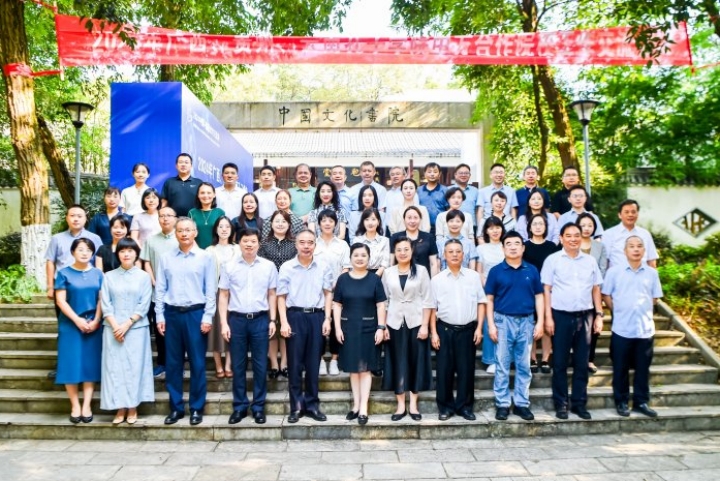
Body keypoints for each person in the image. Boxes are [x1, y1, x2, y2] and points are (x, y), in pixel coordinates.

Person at [155, 217, 216, 426]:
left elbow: (210, 290)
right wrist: (160, 315)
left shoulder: (205, 257)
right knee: (173, 364)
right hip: (172, 314)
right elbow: (160, 289)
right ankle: (176, 407)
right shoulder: (166, 258)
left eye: (188, 230)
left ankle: (196, 408)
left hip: (196, 314)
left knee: (198, 363)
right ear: (175, 233)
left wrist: (208, 316)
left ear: (195, 232)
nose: (184, 234)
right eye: (180, 230)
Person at [541, 223, 604, 420]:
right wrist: (548, 317)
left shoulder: (590, 261)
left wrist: (599, 315)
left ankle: (579, 403)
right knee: (559, 362)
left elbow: (596, 289)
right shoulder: (552, 260)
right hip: (560, 316)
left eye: (576, 235)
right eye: (568, 235)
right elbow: (546, 290)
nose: (573, 239)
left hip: (585, 316)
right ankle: (561, 403)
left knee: (582, 362)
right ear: (561, 238)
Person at [219, 228, 278, 425]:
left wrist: (272, 320)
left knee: (260, 365)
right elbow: (224, 295)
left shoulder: (268, 266)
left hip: (260, 319)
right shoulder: (229, 266)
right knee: (238, 365)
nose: (249, 244)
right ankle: (240, 407)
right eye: (245, 241)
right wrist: (224, 323)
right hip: (237, 320)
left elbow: (272, 294)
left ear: (259, 243)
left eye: (253, 241)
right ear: (239, 243)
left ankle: (258, 407)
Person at [485, 231, 544, 421]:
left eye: (516, 243)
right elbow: (489, 299)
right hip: (503, 321)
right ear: (503, 248)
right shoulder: (496, 271)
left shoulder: (532, 270)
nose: (512, 247)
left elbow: (539, 297)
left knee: (524, 365)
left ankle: (521, 404)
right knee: (502, 365)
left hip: (526, 322)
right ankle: (502, 404)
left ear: (523, 247)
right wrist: (491, 325)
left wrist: (540, 322)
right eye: (508, 244)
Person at [602, 236, 663, 418]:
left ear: (644, 250)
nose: (636, 249)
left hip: (645, 330)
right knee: (620, 368)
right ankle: (621, 401)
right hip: (622, 328)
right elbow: (606, 295)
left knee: (643, 368)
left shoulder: (652, 273)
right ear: (625, 250)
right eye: (632, 246)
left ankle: (641, 401)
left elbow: (655, 297)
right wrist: (617, 309)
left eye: (639, 246)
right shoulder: (614, 272)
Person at [277, 230, 334, 423]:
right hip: (295, 316)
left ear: (315, 245)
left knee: (313, 364)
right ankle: (296, 407)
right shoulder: (287, 267)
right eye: (302, 242)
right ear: (296, 244)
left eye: (310, 242)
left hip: (316, 317)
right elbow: (281, 297)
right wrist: (284, 321)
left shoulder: (323, 266)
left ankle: (312, 405)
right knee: (294, 364)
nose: (306, 246)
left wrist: (327, 319)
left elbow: (328, 293)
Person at [431, 239, 487, 421]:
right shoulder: (437, 279)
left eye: (458, 251)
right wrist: (434, 332)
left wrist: (479, 328)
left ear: (463, 255)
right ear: (444, 255)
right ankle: (445, 407)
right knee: (444, 370)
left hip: (468, 330)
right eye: (451, 252)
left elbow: (481, 302)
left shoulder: (473, 277)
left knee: (466, 370)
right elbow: (431, 308)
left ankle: (465, 407)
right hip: (444, 330)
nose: (454, 255)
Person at [100, 238, 154, 425]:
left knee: (134, 368)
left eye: (130, 251)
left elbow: (144, 303)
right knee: (115, 369)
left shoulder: (143, 277)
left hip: (136, 329)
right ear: (118, 254)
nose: (126, 254)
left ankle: (132, 407)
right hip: (112, 329)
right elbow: (105, 303)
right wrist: (116, 325)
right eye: (122, 251)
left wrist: (127, 324)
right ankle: (119, 407)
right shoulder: (108, 276)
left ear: (136, 254)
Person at [45, 205, 103, 380]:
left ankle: (88, 367)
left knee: (91, 329)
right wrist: (50, 286)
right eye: (72, 215)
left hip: (88, 288)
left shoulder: (94, 238)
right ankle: (64, 365)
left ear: (86, 218)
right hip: (64, 289)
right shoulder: (57, 239)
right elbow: (50, 262)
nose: (76, 219)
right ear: (67, 218)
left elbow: (98, 262)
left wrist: (100, 283)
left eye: (80, 216)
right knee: (66, 327)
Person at [333, 243, 387, 425]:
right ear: (350, 258)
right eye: (356, 255)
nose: (359, 258)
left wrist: (381, 327)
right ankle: (355, 406)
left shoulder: (374, 279)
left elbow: (381, 305)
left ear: (369, 259)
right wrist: (337, 328)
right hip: (348, 329)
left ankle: (364, 407)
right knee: (353, 370)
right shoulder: (343, 279)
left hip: (369, 329)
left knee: (365, 370)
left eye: (363, 255)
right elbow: (337, 305)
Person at [382, 237, 433, 421]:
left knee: (415, 362)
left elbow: (428, 300)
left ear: (412, 251)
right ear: (394, 252)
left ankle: (413, 405)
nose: (402, 253)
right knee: (397, 362)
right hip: (394, 322)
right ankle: (400, 405)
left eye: (406, 249)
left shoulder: (421, 271)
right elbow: (384, 302)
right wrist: (383, 326)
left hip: (416, 321)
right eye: (399, 250)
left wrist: (425, 325)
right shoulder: (388, 272)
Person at [54, 238, 103, 423]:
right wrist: (77, 320)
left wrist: (96, 320)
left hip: (93, 325)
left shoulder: (98, 274)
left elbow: (102, 299)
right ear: (73, 252)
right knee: (70, 364)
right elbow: (60, 301)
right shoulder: (64, 273)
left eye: (88, 250)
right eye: (81, 249)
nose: (84, 253)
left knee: (90, 364)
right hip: (70, 325)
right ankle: (74, 405)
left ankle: (87, 405)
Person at [139, 206, 179, 379]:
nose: (165, 219)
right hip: (158, 293)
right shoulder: (151, 240)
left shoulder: (182, 238)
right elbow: (146, 262)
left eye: (169, 215)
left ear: (175, 218)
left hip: (178, 294)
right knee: (160, 331)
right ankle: (162, 363)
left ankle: (177, 363)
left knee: (176, 331)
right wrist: (154, 280)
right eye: (162, 216)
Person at [258, 211, 297, 380]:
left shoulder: (294, 244)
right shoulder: (264, 244)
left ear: (289, 225)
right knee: (272, 330)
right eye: (277, 221)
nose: (280, 224)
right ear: (271, 224)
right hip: (269, 291)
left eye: (283, 221)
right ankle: (274, 363)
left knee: (286, 328)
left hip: (290, 292)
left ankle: (285, 363)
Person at [314, 209, 351, 376]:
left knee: (337, 324)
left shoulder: (342, 245)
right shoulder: (313, 243)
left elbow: (346, 267)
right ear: (319, 224)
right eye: (324, 220)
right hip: (317, 292)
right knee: (319, 325)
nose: (327, 223)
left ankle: (335, 359)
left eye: (330, 221)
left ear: (335, 224)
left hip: (338, 290)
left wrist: (336, 284)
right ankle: (321, 360)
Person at [522, 213, 560, 374]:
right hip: (528, 290)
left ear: (546, 227)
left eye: (541, 224)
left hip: (547, 290)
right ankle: (531, 358)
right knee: (530, 324)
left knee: (545, 325)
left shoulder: (552, 247)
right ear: (530, 227)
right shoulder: (524, 246)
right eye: (535, 224)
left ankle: (545, 359)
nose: (538, 227)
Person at [206, 216, 237, 379]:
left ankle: (228, 365)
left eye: (227, 227)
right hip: (215, 292)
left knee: (231, 327)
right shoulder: (209, 250)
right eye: (221, 226)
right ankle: (218, 365)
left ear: (231, 230)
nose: (224, 229)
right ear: (216, 230)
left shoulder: (237, 249)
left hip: (235, 293)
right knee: (217, 329)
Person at [577, 212, 609, 374]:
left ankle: (590, 360)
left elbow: (602, 269)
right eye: (583, 225)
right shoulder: (572, 243)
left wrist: (596, 286)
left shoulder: (600, 246)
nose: (586, 228)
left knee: (593, 327)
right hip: (574, 291)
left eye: (590, 225)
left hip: (594, 291)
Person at [475, 216, 506, 374]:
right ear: (486, 231)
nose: (495, 231)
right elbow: (479, 271)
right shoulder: (481, 248)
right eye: (491, 228)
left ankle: (505, 359)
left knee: (505, 325)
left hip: (506, 290)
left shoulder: (506, 246)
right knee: (489, 324)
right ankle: (491, 360)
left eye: (497, 227)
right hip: (488, 290)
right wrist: (487, 287)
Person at [602, 199, 658, 269]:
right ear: (619, 215)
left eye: (633, 212)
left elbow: (651, 261)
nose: (630, 215)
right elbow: (604, 261)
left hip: (642, 274)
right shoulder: (609, 234)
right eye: (626, 212)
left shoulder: (645, 234)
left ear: (637, 214)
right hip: (618, 275)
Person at [390, 206, 439, 277]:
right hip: (401, 278)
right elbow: (391, 263)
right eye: (409, 218)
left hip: (424, 278)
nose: (412, 221)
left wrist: (432, 281)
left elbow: (433, 263)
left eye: (415, 218)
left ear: (420, 220)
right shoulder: (395, 237)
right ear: (404, 220)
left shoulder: (429, 237)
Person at [161, 153, 201, 217]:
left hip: (193, 219)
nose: (183, 165)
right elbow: (164, 202)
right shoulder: (169, 182)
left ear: (191, 166)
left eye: (186, 162)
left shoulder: (198, 182)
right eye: (181, 162)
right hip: (173, 219)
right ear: (176, 166)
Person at [352, 208, 390, 277]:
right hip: (360, 275)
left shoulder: (385, 241)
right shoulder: (357, 240)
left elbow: (385, 263)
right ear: (363, 222)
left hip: (379, 276)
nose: (370, 223)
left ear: (378, 222)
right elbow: (354, 261)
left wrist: (374, 278)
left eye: (373, 219)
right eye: (367, 219)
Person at [188, 182, 225, 249]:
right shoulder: (192, 213)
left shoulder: (220, 212)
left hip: (216, 251)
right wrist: (198, 250)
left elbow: (224, 234)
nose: (205, 195)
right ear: (198, 195)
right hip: (196, 251)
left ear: (214, 195)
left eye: (209, 193)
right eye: (202, 193)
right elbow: (188, 234)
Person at [417, 162, 448, 235]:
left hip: (440, 227)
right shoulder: (418, 190)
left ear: (439, 174)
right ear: (425, 174)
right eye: (429, 172)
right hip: (421, 227)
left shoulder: (445, 190)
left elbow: (449, 209)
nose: (432, 174)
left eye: (435, 172)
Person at [451, 163, 480, 231]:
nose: (463, 175)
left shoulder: (475, 191)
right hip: (453, 226)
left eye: (466, 173)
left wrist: (479, 228)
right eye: (461, 173)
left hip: (471, 227)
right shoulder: (448, 190)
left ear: (470, 175)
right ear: (455, 175)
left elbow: (478, 211)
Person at [385, 166, 410, 234]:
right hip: (388, 228)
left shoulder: (410, 193)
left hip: (405, 228)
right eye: (392, 174)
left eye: (398, 174)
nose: (395, 176)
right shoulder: (387, 194)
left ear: (404, 176)